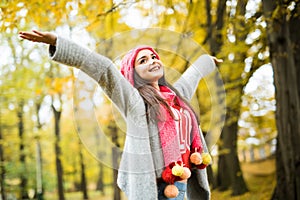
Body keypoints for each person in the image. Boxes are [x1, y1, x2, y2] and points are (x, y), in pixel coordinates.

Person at [19, 30, 222, 200]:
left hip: (182, 185)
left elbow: (193, 74)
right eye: (143, 60)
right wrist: (58, 43)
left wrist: (208, 60)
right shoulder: (135, 102)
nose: (152, 61)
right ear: (133, 73)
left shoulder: (175, 96)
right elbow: (104, 69)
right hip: (158, 190)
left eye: (154, 57)